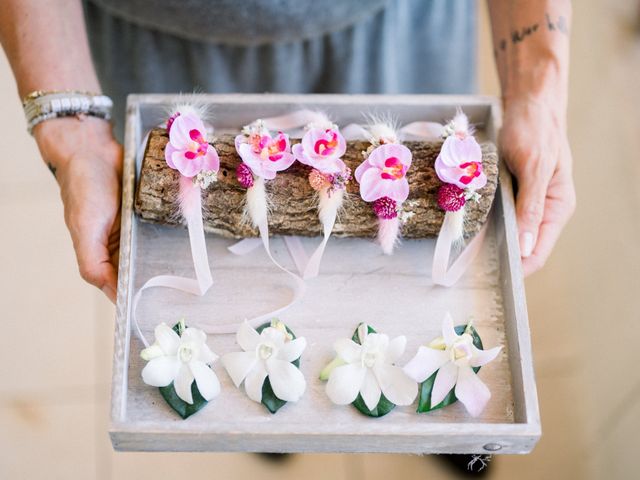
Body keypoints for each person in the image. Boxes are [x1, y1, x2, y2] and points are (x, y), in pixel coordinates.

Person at [0, 0, 575, 306]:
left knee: (417, 287)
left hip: (393, 27)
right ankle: (267, 394)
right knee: (228, 300)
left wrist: (538, 84)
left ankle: (441, 394)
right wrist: (72, 134)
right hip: (165, 45)